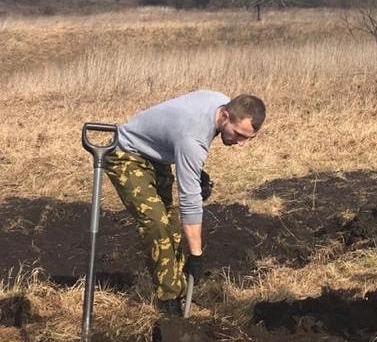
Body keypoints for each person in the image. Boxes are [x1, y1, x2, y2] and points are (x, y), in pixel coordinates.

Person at [106, 91, 265, 314]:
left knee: (171, 224)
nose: (241, 144)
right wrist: (196, 256)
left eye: (248, 138)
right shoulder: (193, 139)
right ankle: (168, 301)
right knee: (156, 223)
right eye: (239, 135)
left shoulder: (220, 101)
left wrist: (196, 172)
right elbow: (190, 203)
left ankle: (178, 290)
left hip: (157, 154)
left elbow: (179, 132)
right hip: (126, 154)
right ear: (225, 116)